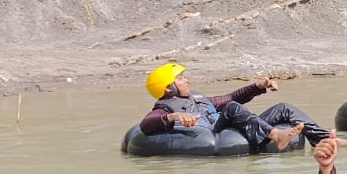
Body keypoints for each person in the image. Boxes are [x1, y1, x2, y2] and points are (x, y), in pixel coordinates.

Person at [139, 63, 328, 151]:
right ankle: (275, 136)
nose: (186, 80)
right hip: (216, 133)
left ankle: (324, 140)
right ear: (167, 87)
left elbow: (231, 96)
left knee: (283, 107)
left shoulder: (198, 98)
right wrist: (174, 117)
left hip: (234, 128)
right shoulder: (164, 108)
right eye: (180, 79)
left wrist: (258, 87)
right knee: (230, 106)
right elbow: (146, 124)